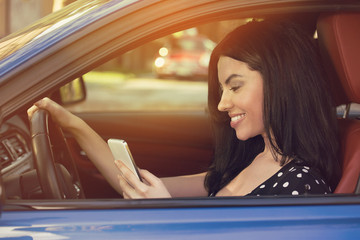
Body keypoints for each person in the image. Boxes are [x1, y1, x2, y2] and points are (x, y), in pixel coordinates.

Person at [28, 19, 341, 199]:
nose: (221, 104)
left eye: (235, 86)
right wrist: (71, 124)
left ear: (280, 82)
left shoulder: (302, 187)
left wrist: (164, 217)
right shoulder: (248, 160)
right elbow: (132, 181)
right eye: (221, 89)